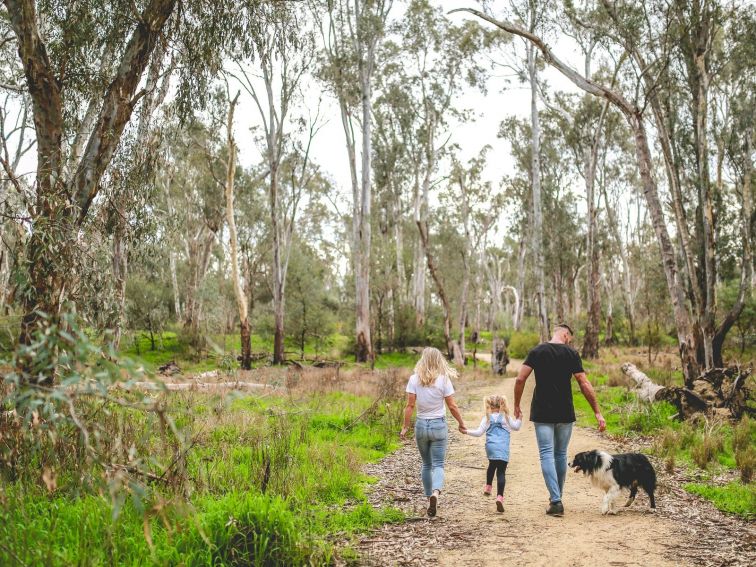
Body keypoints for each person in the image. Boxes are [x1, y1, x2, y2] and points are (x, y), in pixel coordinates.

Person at [514, 323, 606, 517]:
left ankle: (556, 500)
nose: (569, 341)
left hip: (542, 411)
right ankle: (557, 497)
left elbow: (520, 379)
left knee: (547, 453)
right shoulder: (571, 354)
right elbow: (584, 383)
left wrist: (516, 405)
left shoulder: (537, 351)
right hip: (564, 410)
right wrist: (597, 411)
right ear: (565, 334)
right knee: (561, 454)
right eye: (569, 338)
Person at [400, 347, 467, 517]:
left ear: (422, 360)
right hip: (438, 426)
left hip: (421, 426)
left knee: (426, 464)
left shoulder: (414, 379)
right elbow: (452, 406)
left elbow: (410, 406)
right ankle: (435, 494)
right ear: (439, 361)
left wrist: (405, 427)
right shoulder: (443, 380)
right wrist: (461, 423)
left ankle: (428, 496)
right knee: (438, 464)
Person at [464, 394, 521, 513]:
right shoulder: (506, 417)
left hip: (491, 447)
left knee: (491, 466)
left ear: (489, 405)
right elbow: (516, 427)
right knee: (501, 472)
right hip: (503, 448)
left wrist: (466, 431)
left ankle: (488, 486)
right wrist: (519, 418)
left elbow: (479, 432)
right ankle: (500, 497)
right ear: (502, 404)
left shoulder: (487, 418)